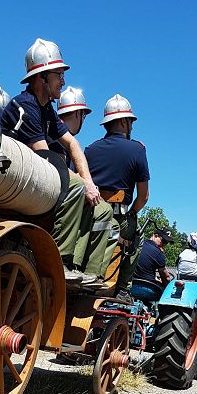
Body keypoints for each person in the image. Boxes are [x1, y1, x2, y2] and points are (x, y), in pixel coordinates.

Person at [1, 39, 101, 285]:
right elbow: (46, 159)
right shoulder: (25, 106)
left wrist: (89, 181)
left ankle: (80, 266)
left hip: (28, 178)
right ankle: (59, 260)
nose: (63, 81)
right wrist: (83, 184)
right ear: (42, 77)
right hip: (11, 178)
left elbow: (73, 144)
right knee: (76, 188)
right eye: (59, 74)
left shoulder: (46, 110)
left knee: (93, 199)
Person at [85, 94, 150, 302]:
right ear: (123, 121)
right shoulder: (137, 150)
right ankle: (122, 289)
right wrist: (131, 213)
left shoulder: (90, 149)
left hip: (89, 215)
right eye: (130, 121)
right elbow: (144, 197)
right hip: (117, 218)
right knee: (136, 241)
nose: (131, 126)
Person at [53, 87, 118, 284]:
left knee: (112, 225)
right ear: (78, 114)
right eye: (83, 115)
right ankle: (74, 264)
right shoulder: (56, 138)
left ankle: (90, 271)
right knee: (102, 209)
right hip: (57, 197)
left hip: (62, 194)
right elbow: (56, 166)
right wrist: (85, 185)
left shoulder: (67, 140)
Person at [130, 227, 174, 302]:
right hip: (147, 289)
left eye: (166, 243)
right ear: (155, 235)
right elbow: (166, 278)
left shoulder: (138, 245)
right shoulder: (158, 253)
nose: (164, 244)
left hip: (130, 285)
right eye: (163, 241)